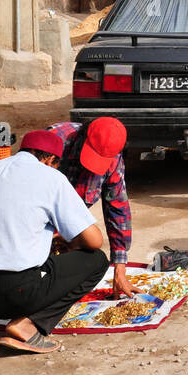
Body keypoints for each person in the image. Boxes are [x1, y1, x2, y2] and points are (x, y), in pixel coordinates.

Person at [0, 130, 108, 354]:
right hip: (10, 293)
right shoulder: (51, 177)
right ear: (51, 160)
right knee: (96, 261)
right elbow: (94, 240)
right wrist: (70, 241)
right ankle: (28, 325)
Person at [45, 117, 135, 299]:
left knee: (92, 250)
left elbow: (118, 209)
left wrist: (120, 268)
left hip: (65, 229)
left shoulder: (113, 160)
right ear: (83, 137)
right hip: (34, 224)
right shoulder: (55, 139)